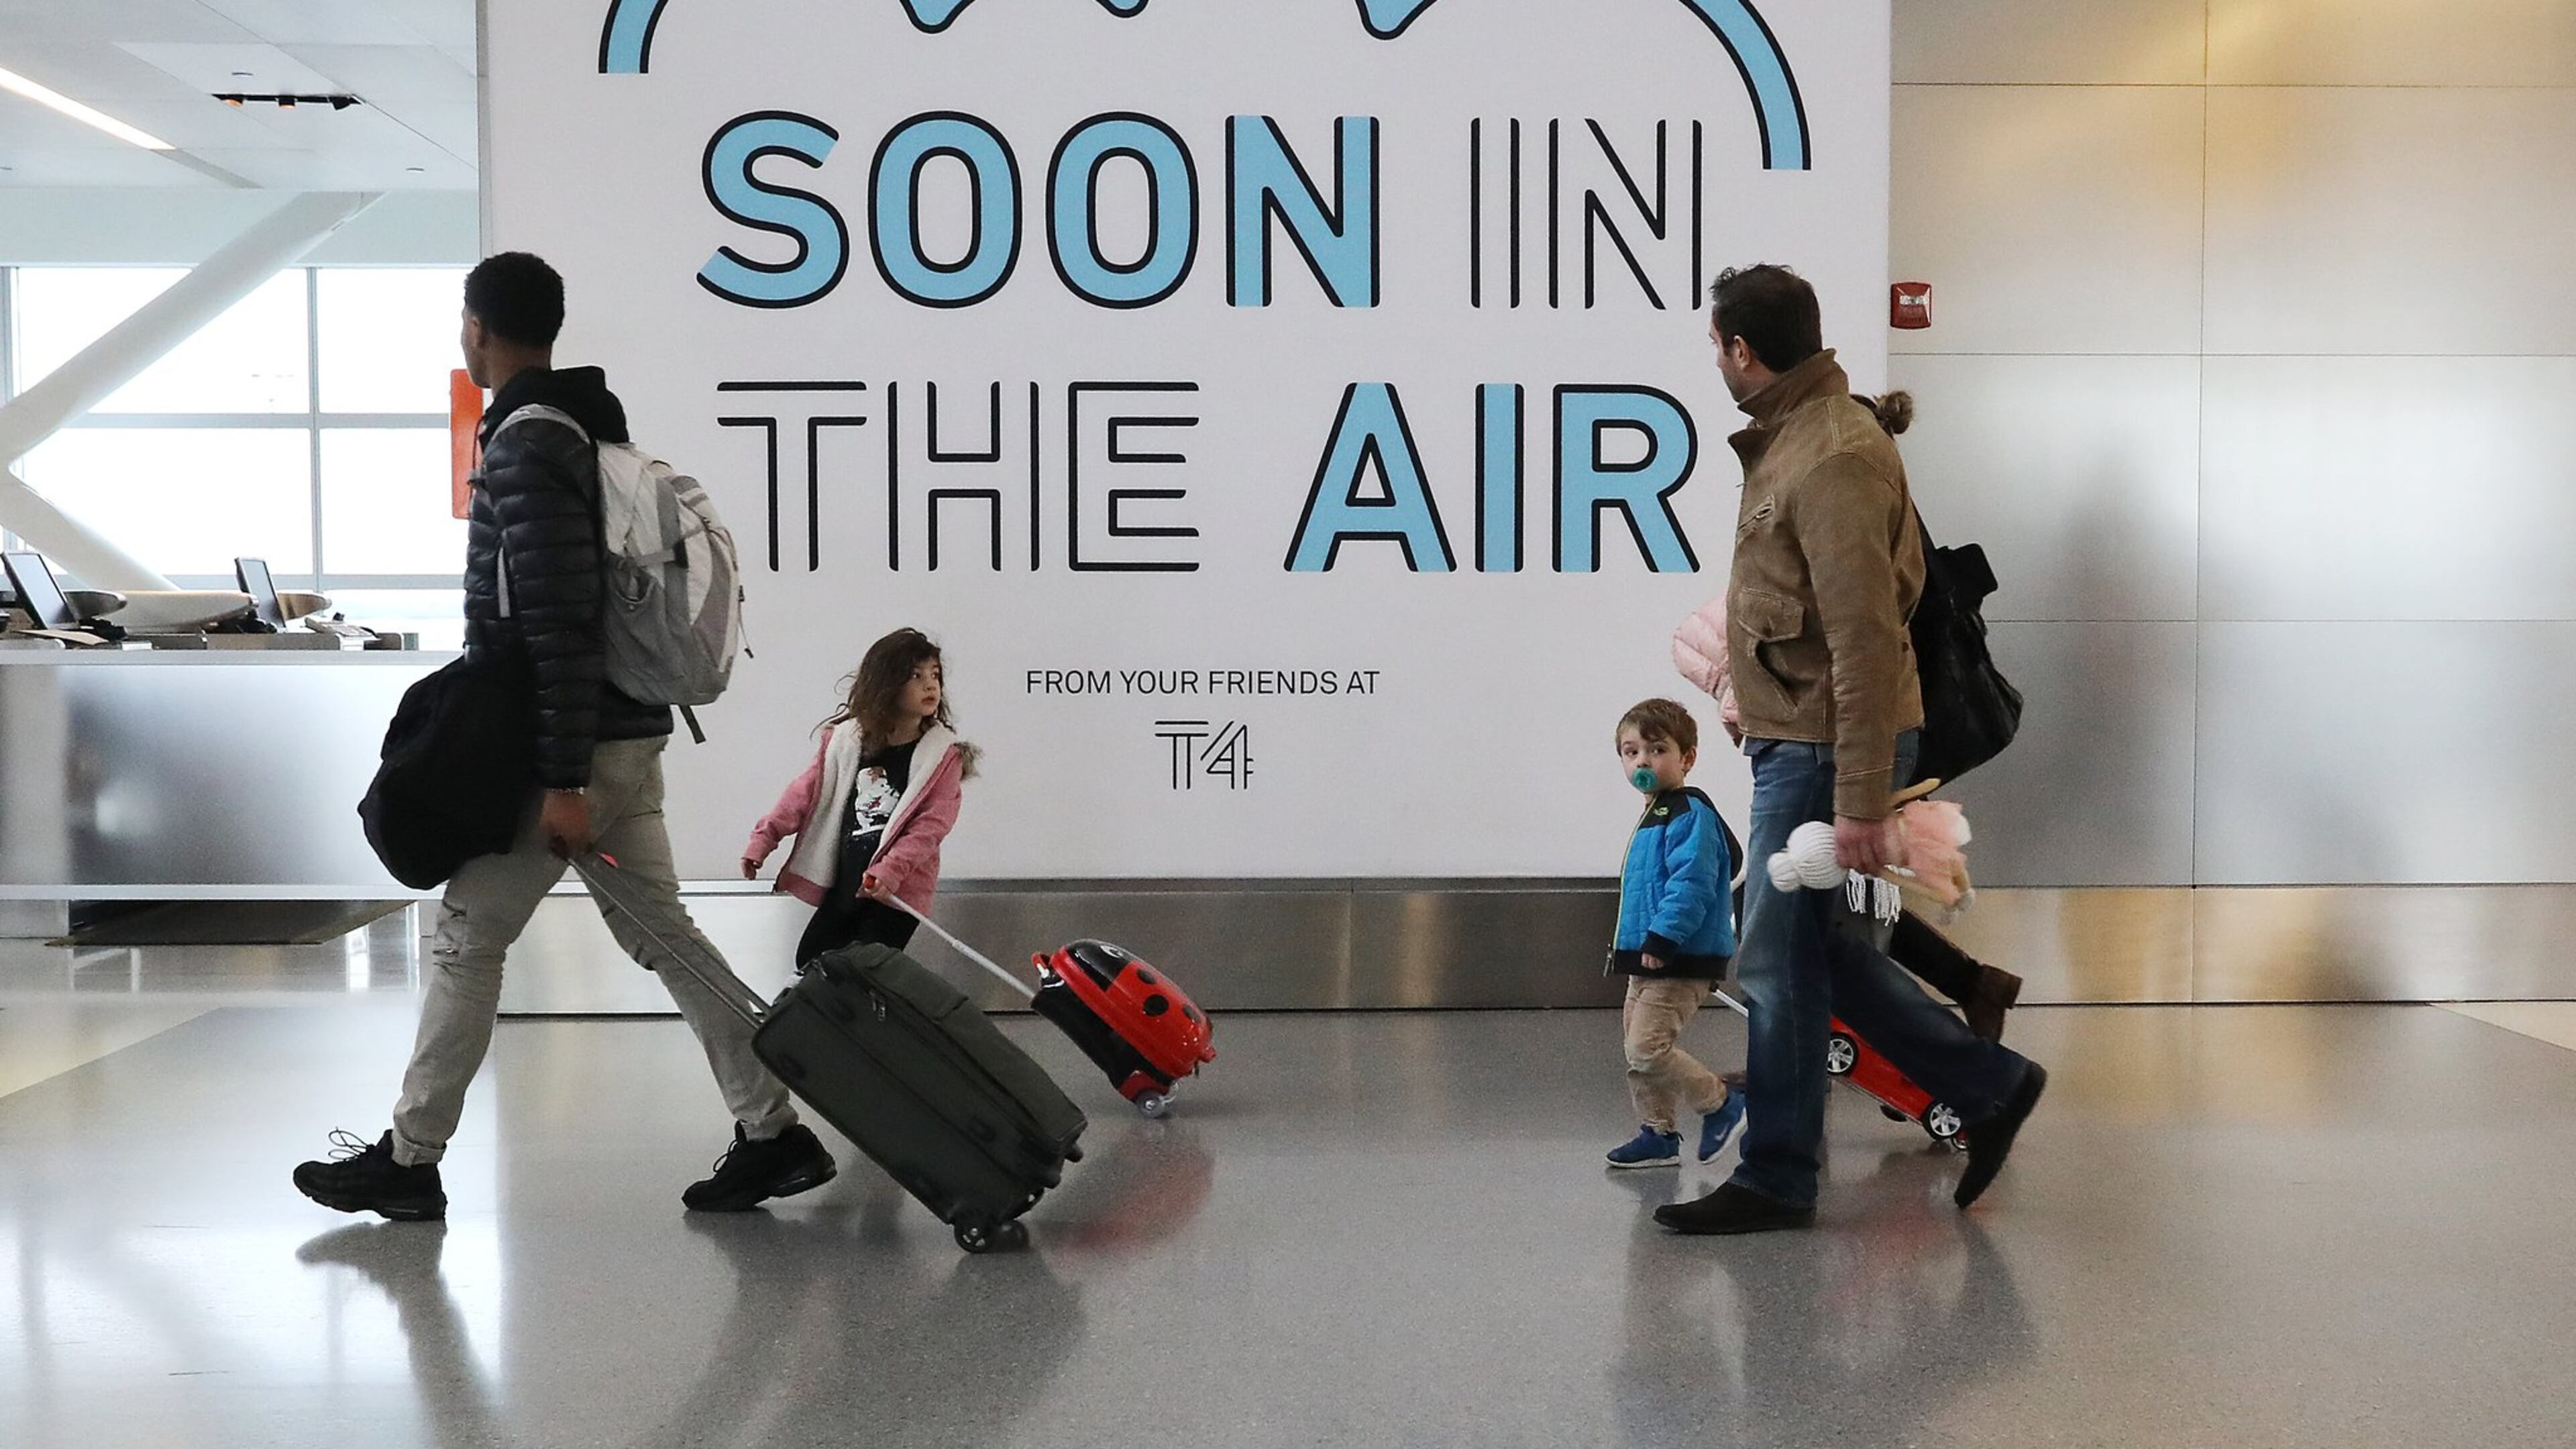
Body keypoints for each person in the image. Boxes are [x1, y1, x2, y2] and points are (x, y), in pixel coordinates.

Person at [294, 252, 837, 1222]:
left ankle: (411, 1160)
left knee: (468, 938)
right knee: (668, 937)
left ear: (477, 330)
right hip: (622, 739)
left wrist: (561, 782)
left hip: (576, 753)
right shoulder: (582, 431)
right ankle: (775, 1133)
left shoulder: (527, 446)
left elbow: (556, 623)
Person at [1654, 264, 2047, 1236]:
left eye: (1717, 344)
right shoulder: (1805, 439)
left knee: (1776, 961)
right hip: (1802, 736)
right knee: (1806, 945)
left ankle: (1781, 1175)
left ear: (1743, 351)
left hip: (1826, 745)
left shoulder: (1829, 456)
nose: (1715, 358)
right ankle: (1990, 1083)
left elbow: (1868, 638)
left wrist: (1865, 798)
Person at [1669, 392, 2024, 1043]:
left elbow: (1855, 638)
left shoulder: (1845, 487)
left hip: (1845, 733)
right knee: (1804, 911)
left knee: (1790, 922)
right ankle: (1953, 1020)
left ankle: (1931, 1065)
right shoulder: (1861, 487)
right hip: (1846, 731)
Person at [742, 628, 977, 964]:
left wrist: (891, 871)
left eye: (935, 675)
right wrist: (764, 839)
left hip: (896, 893)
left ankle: (874, 1016)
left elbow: (931, 826)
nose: (931, 685)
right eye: (916, 675)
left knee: (866, 967)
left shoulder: (941, 757)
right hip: (846, 883)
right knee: (811, 961)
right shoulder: (846, 744)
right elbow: (802, 795)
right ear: (886, 684)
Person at [1603, 699, 1748, 1169]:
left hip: (1677, 957)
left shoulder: (1688, 813)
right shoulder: (1655, 814)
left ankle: (1723, 1104)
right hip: (1643, 956)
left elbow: (1693, 883)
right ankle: (1658, 1133)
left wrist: (1664, 937)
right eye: (1631, 752)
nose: (1642, 761)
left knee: (1647, 1048)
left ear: (1687, 758)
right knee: (1637, 1052)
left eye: (1657, 749)